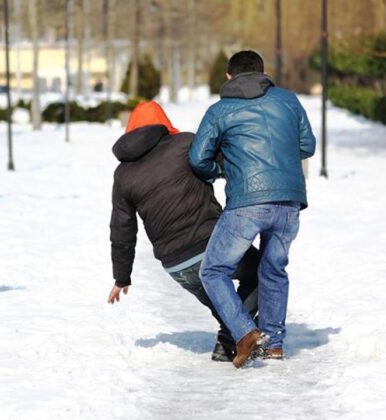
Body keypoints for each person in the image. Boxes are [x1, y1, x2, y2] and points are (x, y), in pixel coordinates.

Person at [189, 50, 316, 368]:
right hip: (289, 201)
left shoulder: (220, 110)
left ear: (229, 76)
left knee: (214, 270)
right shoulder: (288, 100)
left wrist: (222, 168)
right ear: (263, 73)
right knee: (274, 270)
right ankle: (273, 344)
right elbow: (307, 146)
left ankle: (245, 332)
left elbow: (197, 158)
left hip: (247, 203)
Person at [109, 101, 260, 362]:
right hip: (213, 245)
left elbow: (122, 229)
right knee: (263, 272)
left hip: (176, 265)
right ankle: (230, 337)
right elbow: (229, 164)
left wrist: (121, 277)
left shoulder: (123, 174)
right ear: (164, 123)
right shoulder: (186, 144)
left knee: (225, 306)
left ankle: (230, 342)